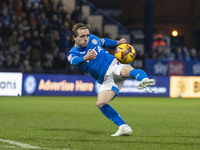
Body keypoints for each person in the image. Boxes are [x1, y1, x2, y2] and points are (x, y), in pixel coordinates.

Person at [67, 23, 155, 136]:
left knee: (124, 70)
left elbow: (104, 41)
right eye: (82, 36)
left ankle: (144, 79)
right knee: (101, 103)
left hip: (112, 65)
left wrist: (118, 43)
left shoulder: (93, 39)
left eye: (87, 35)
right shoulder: (72, 53)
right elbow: (75, 61)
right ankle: (124, 127)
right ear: (74, 37)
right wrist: (85, 57)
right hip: (105, 80)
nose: (86, 38)